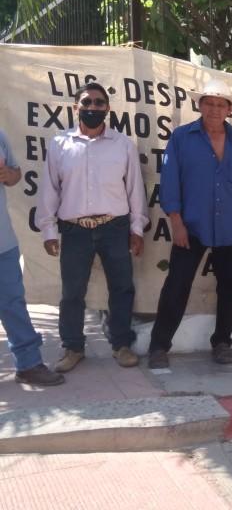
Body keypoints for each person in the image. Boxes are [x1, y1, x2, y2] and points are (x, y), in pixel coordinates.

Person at [35, 83, 148, 372]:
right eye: (87, 102)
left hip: (115, 228)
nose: (93, 108)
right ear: (76, 107)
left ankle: (121, 344)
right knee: (72, 293)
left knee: (122, 289)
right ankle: (72, 347)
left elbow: (135, 191)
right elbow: (49, 191)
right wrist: (48, 230)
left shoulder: (123, 145)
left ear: (107, 109)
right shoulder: (60, 144)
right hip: (74, 231)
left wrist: (136, 229)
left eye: (99, 103)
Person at [148, 79, 232, 368]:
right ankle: (159, 347)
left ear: (229, 109)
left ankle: (222, 343)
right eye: (208, 103)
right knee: (176, 286)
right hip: (192, 227)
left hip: (231, 227)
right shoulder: (181, 137)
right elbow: (169, 181)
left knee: (231, 287)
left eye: (220, 104)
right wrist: (176, 221)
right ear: (200, 106)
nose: (214, 108)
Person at [1, 131, 65, 386]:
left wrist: (10, 176)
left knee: (13, 303)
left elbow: (15, 173)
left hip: (3, 242)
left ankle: (28, 364)